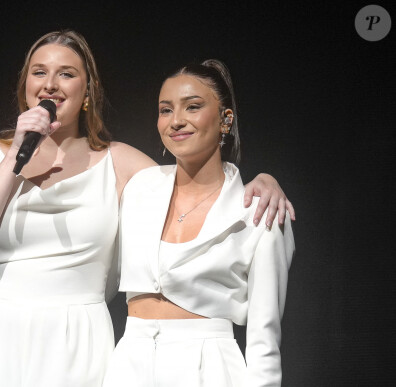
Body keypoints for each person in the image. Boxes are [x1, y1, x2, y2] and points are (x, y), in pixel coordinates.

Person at [0, 29, 294, 387]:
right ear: (24, 84)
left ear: (88, 91)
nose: (50, 84)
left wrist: (264, 179)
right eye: (38, 72)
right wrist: (16, 153)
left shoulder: (121, 164)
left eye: (66, 73)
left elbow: (196, 180)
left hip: (76, 336)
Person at [100, 60, 295, 386]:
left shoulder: (259, 212)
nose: (176, 121)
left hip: (209, 368)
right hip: (129, 364)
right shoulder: (139, 189)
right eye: (165, 110)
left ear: (225, 119)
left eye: (193, 107)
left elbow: (265, 340)